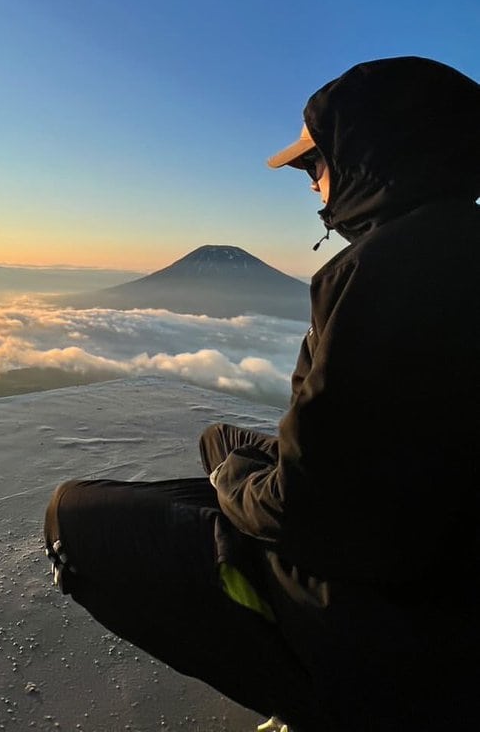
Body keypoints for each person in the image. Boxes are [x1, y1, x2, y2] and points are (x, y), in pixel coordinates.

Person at [44, 56, 480, 732]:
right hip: (442, 579)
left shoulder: (380, 275)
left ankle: (314, 698)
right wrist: (237, 460)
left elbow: (312, 514)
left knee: (72, 516)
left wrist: (232, 476)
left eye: (315, 165)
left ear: (371, 154)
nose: (313, 188)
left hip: (396, 633)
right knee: (218, 440)